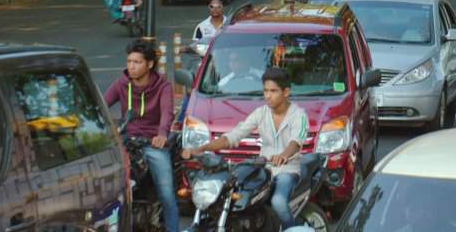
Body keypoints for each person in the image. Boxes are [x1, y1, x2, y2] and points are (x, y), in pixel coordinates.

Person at [182, 68, 309, 228]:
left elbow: (296, 142)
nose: (267, 95)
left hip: (287, 169)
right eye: (265, 90)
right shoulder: (260, 113)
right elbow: (234, 136)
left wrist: (283, 155)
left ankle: (291, 229)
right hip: (264, 168)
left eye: (273, 91)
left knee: (278, 201)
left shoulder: (299, 115)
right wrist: (200, 149)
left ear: (286, 92)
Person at [104, 40, 178, 231]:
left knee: (167, 194)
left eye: (137, 62)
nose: (131, 66)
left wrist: (161, 134)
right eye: (129, 61)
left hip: (152, 144)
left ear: (150, 64)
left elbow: (167, 113)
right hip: (126, 141)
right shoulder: (122, 83)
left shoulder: (163, 86)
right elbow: (102, 106)